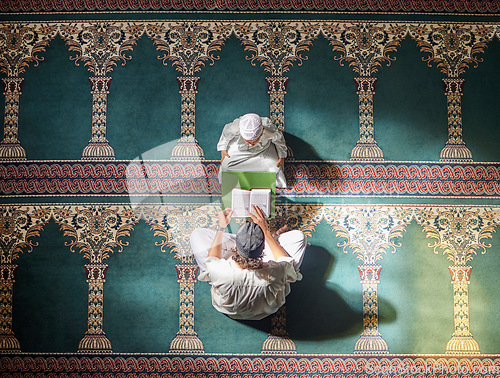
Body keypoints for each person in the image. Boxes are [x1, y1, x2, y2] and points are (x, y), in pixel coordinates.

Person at [190, 206, 306, 320]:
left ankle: (261, 241)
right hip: (264, 309)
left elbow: (212, 259)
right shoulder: (276, 272)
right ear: (264, 248)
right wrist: (266, 232)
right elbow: (286, 262)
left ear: (235, 246)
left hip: (228, 307)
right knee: (299, 238)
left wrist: (221, 227)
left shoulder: (219, 270)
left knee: (197, 235)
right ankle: (273, 240)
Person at [217, 113, 288, 188]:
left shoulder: (268, 128)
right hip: (240, 150)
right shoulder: (234, 127)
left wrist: (281, 156)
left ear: (262, 131)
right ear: (240, 130)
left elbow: (279, 140)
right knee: (226, 166)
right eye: (248, 142)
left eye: (254, 141)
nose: (251, 145)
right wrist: (223, 149)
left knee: (274, 168)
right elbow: (225, 135)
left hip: (263, 150)